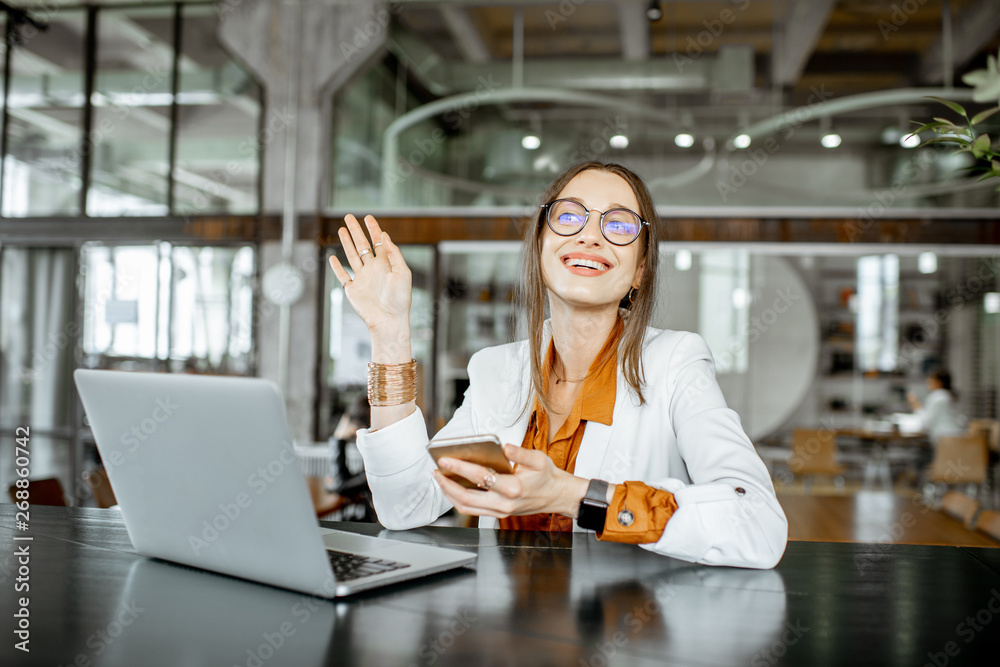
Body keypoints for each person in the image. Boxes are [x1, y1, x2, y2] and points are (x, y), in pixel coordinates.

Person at [328, 161, 787, 569]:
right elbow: (402, 505)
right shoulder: (496, 371)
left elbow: (758, 525)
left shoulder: (676, 362)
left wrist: (570, 495)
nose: (590, 234)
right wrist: (389, 333)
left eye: (620, 225)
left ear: (641, 270)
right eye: (569, 217)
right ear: (541, 245)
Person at [907, 369, 965, 444]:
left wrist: (915, 404)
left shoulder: (937, 396)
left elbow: (926, 423)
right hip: (957, 437)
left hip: (944, 440)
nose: (928, 383)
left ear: (939, 383)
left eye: (930, 381)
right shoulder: (949, 395)